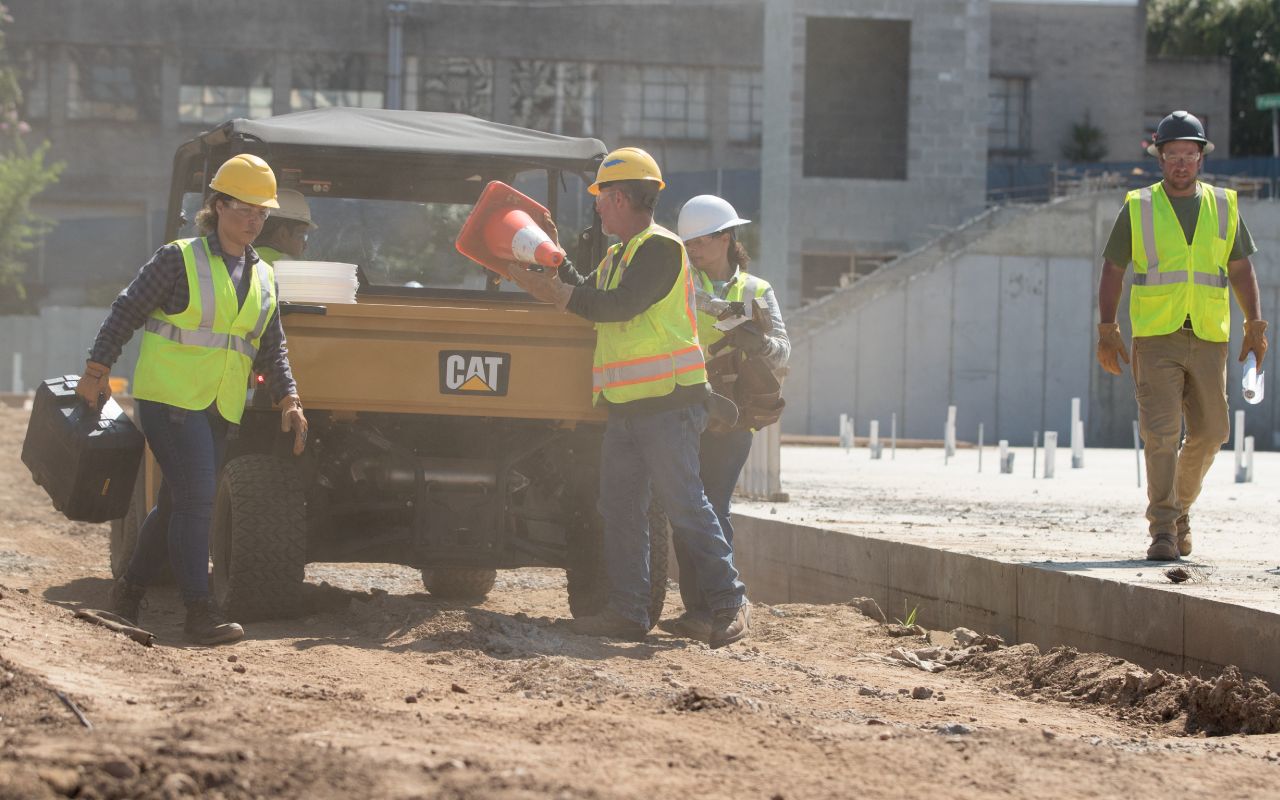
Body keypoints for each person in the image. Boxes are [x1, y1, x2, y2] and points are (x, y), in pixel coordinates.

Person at [507, 147, 750, 647]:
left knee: (686, 506)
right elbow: (589, 292)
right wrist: (552, 266)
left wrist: (559, 294)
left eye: (601, 197)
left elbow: (619, 306)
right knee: (619, 508)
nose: (597, 207)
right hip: (628, 406)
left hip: (667, 404)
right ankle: (628, 611)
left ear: (620, 198)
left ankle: (730, 602)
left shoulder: (661, 249)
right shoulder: (621, 254)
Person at [76, 153, 309, 645]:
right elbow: (126, 311)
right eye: (244, 208)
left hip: (220, 406)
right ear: (217, 206)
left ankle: (127, 595)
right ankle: (199, 612)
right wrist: (97, 370)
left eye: (262, 212)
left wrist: (289, 397)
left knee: (177, 501)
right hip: (171, 401)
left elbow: (271, 344)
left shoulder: (263, 274)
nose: (254, 220)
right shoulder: (177, 259)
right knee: (198, 499)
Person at [1096, 110, 1267, 561]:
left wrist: (1255, 325)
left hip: (1210, 334)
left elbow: (1240, 268)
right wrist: (1108, 326)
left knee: (1212, 432)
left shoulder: (1225, 205)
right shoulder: (1139, 206)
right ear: (1160, 158)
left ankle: (1179, 510)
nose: (1181, 163)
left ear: (1201, 158)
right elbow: (1113, 267)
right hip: (1155, 337)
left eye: (1189, 155)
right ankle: (1163, 530)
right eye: (1172, 155)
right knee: (1161, 433)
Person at [658, 195, 788, 641]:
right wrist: (719, 310)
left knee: (711, 505)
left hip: (732, 417)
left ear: (726, 237)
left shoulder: (757, 290)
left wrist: (760, 344)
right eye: (687, 241)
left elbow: (784, 354)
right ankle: (700, 609)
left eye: (700, 240)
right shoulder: (679, 281)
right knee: (685, 509)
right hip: (686, 408)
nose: (691, 248)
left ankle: (716, 606)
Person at [253, 188, 317, 264]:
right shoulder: (290, 266)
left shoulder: (243, 257)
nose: (305, 246)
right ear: (283, 234)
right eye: (301, 236)